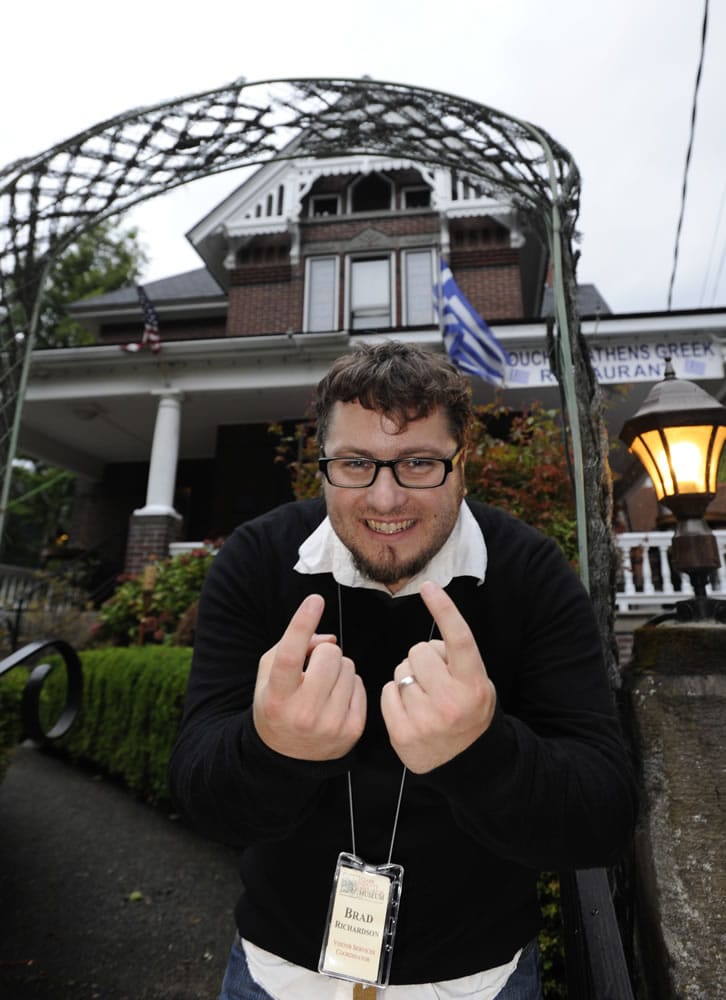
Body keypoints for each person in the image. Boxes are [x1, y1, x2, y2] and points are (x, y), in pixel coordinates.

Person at [168, 341, 637, 1000]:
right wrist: (274, 749)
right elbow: (200, 800)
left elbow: (603, 818)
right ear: (323, 468)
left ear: (462, 465)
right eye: (356, 463)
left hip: (481, 981)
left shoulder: (530, 574)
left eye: (418, 462)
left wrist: (482, 752)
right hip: (276, 974)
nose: (385, 499)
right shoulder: (257, 560)